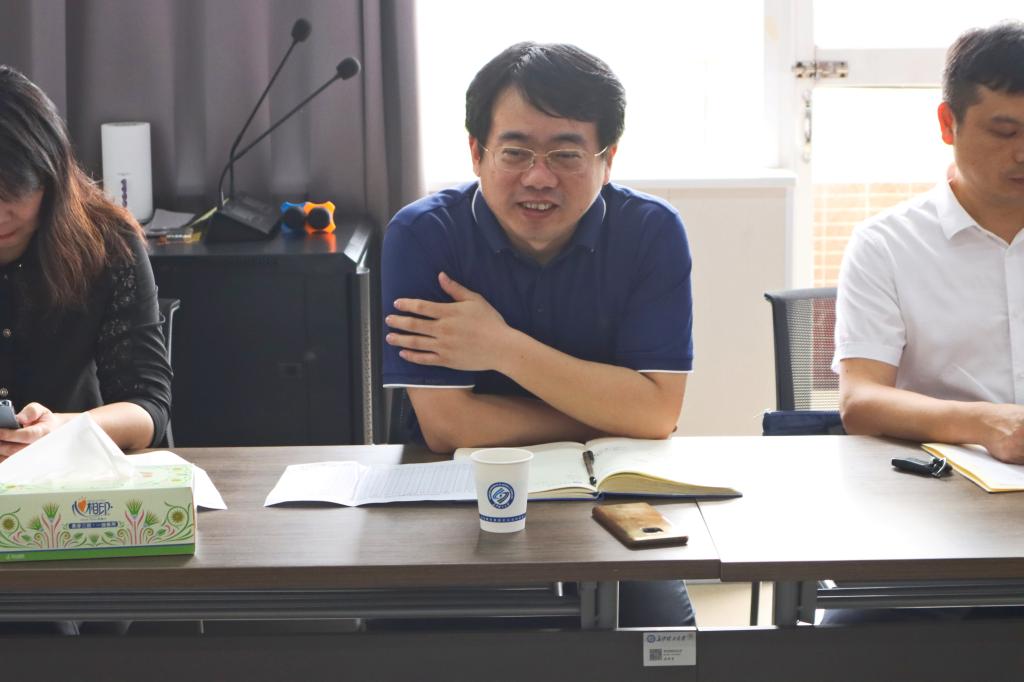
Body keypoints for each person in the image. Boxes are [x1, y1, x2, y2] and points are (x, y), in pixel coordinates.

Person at [381, 42, 694, 627]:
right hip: (459, 491)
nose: (539, 177)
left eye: (567, 154)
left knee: (667, 644)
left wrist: (501, 347)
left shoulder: (651, 233)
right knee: (421, 648)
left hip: (607, 497)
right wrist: (610, 415)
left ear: (608, 158)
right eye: (516, 152)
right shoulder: (424, 235)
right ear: (477, 153)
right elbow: (448, 427)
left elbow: (657, 413)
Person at [835, 21, 1024, 462]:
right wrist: (986, 424)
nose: (1022, 152)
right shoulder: (886, 244)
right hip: (944, 475)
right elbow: (860, 400)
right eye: (1005, 132)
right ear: (947, 123)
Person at [0, 65, 171, 461]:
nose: (1, 216)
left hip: (73, 478)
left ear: (52, 174)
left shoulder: (107, 244)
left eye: (16, 192)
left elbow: (147, 407)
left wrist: (63, 429)